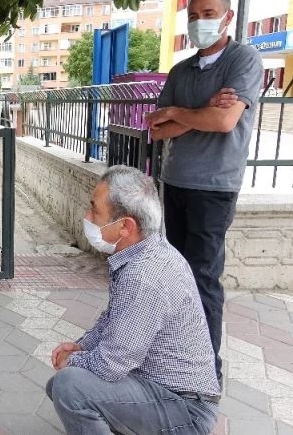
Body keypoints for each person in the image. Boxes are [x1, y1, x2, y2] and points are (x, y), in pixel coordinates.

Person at [144, 0, 263, 383]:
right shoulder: (181, 71)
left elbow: (225, 122)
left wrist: (181, 113)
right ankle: (175, 356)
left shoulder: (242, 60)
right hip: (175, 181)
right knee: (176, 276)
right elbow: (157, 129)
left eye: (208, 13)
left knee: (203, 278)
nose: (199, 22)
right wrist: (199, 111)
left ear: (227, 17)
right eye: (193, 15)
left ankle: (205, 372)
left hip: (214, 188)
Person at [46, 166, 220, 435]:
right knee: (61, 385)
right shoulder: (145, 251)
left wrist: (72, 360)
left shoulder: (145, 276)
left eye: (95, 211)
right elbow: (112, 318)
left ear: (126, 226)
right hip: (163, 388)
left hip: (187, 411)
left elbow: (111, 365)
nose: (87, 217)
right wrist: (81, 346)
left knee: (70, 387)